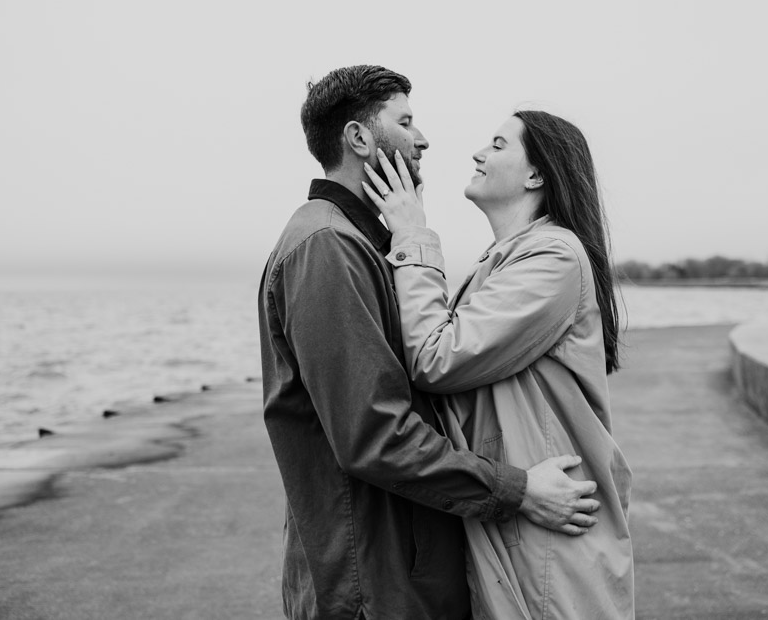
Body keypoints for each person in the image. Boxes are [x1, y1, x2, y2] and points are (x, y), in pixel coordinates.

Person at [258, 65, 602, 620]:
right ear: (360, 138)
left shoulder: (368, 245)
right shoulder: (327, 246)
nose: (423, 139)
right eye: (407, 122)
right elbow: (374, 433)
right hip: (370, 581)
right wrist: (513, 489)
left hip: (400, 568)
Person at [362, 110, 634, 618]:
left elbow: (436, 358)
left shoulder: (552, 257)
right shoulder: (506, 257)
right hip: (522, 520)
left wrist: (413, 236)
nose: (478, 153)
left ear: (536, 175)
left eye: (498, 144)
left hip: (548, 539)